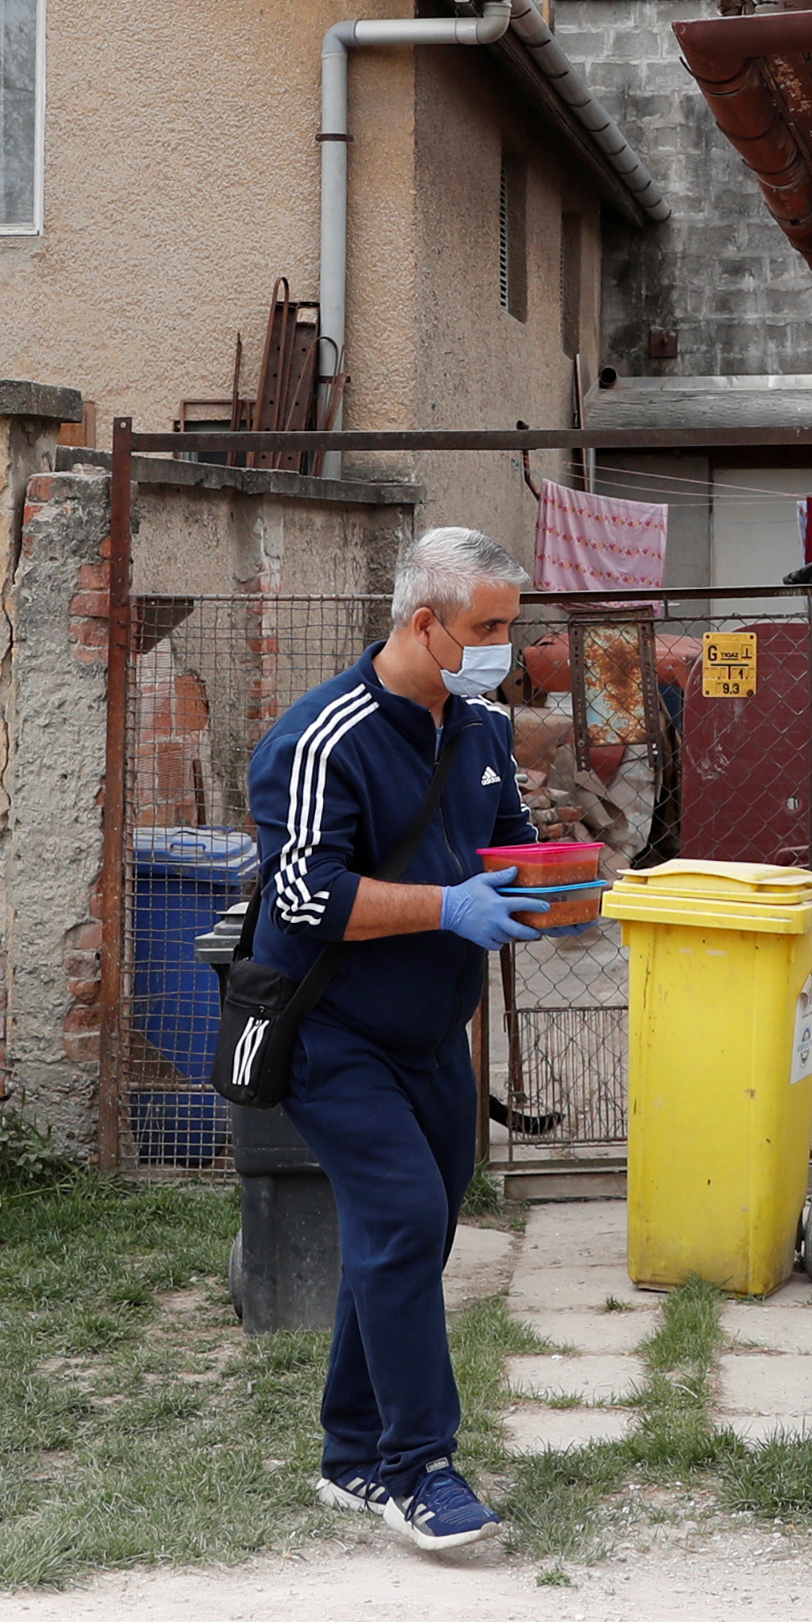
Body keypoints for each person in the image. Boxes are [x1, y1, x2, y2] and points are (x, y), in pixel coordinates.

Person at [244, 524, 565, 1554]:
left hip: (433, 1032)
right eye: (488, 628)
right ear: (424, 624)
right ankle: (419, 1466)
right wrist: (445, 908)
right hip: (331, 1031)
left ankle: (350, 1452)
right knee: (402, 1217)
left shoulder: (475, 728)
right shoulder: (320, 737)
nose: (503, 650)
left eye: (512, 627)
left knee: (412, 1237)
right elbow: (302, 897)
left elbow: (500, 847)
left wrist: (558, 887)